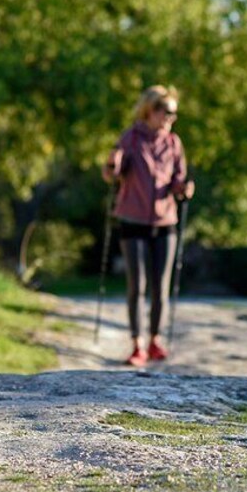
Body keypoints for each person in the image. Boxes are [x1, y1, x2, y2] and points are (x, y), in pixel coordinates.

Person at [102, 85, 195, 366]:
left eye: (174, 114)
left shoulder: (174, 143)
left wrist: (184, 189)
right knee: (137, 285)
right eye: (167, 112)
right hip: (132, 219)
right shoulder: (131, 138)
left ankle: (155, 340)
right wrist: (112, 163)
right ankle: (137, 345)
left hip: (165, 221)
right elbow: (112, 175)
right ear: (151, 110)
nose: (171, 118)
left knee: (160, 286)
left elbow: (178, 179)